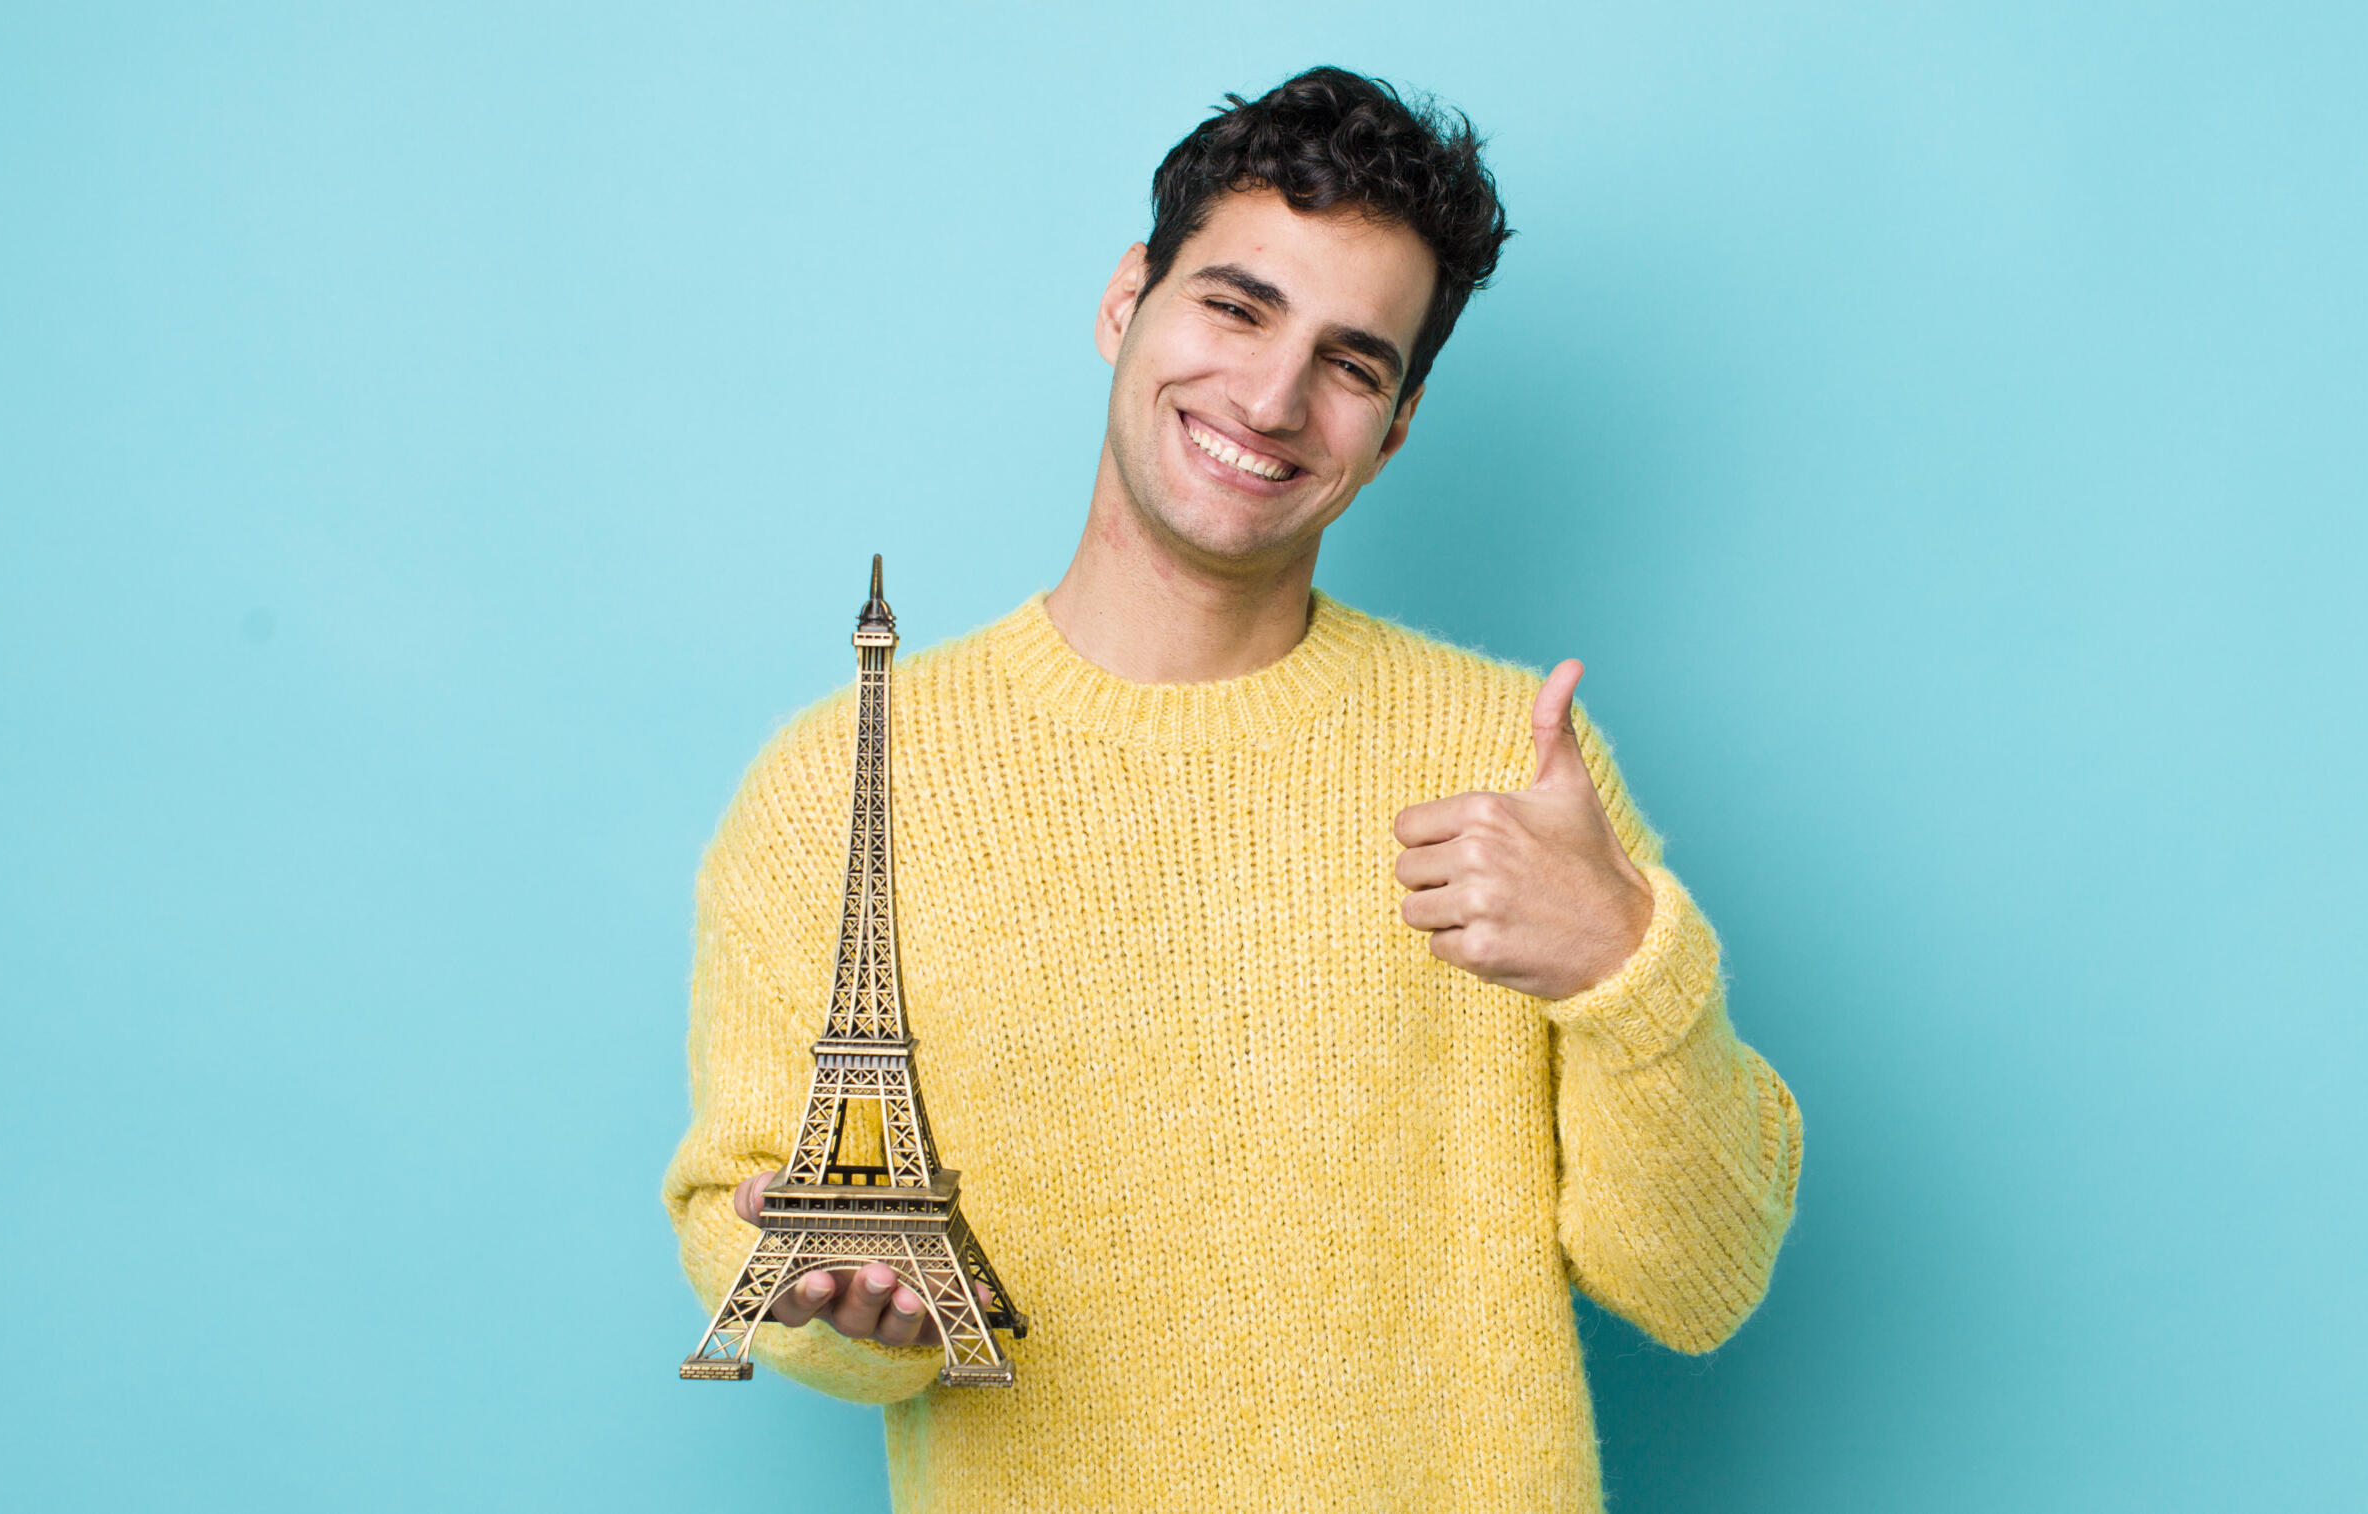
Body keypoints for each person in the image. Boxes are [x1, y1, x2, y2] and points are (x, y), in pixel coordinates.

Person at [662, 65, 1802, 1513]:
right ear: (1125, 301)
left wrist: (1624, 966)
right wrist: (854, 1321)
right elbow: (748, 1218)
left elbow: (1698, 1283)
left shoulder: (1511, 763)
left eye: (1352, 361)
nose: (1269, 398)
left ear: (1394, 430)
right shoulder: (836, 781)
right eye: (1235, 306)